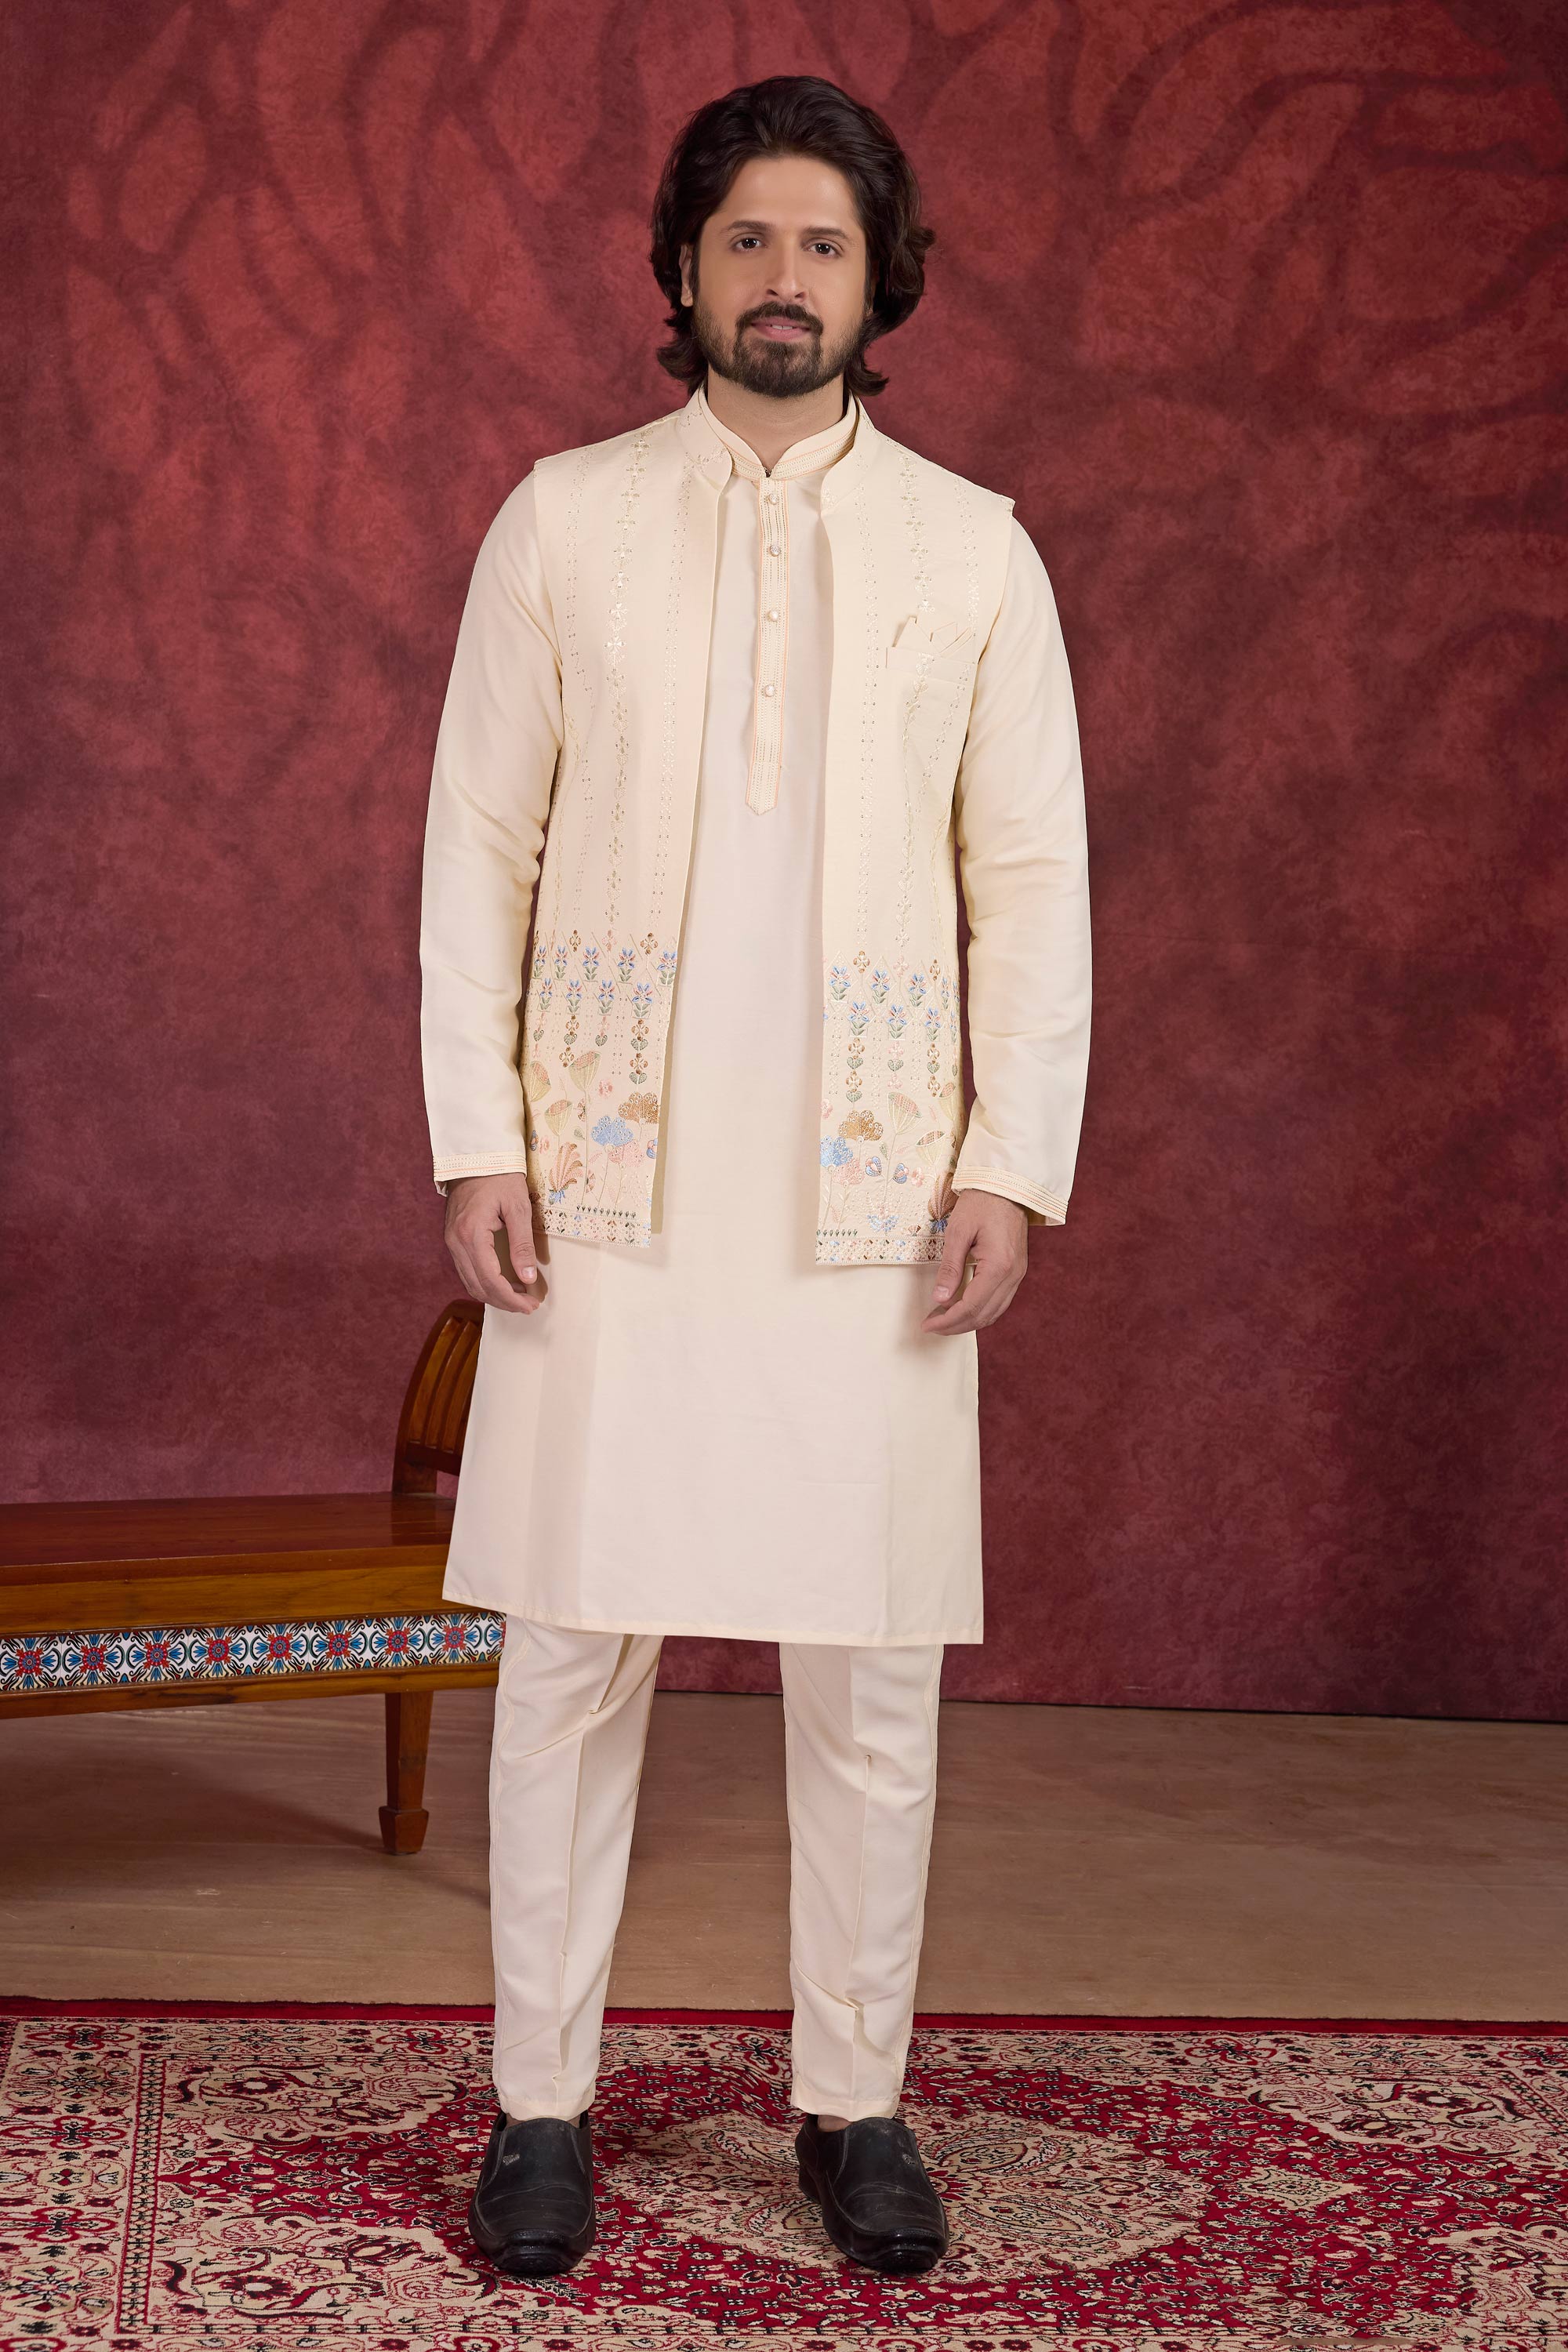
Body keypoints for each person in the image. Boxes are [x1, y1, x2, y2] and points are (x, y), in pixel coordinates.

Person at [418, 72, 1091, 2282]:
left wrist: (1009, 1165)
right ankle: (539, 2105)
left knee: (870, 1674)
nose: (782, 278)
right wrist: (480, 1136)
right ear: (684, 271)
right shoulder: (563, 521)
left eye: (822, 242)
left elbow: (1032, 884)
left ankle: (854, 2102)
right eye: (746, 240)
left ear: (879, 281)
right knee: (569, 1656)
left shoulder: (973, 549)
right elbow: (477, 851)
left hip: (871, 1200)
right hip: (607, 1183)